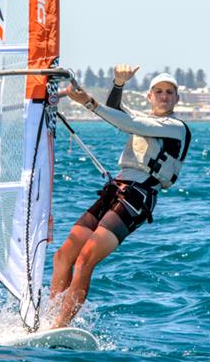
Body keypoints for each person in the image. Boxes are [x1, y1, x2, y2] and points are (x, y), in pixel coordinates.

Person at [50, 65, 192, 328]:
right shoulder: (146, 120)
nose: (164, 96)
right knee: (63, 256)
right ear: (149, 96)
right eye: (158, 92)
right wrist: (117, 84)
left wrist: (88, 103)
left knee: (84, 260)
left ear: (176, 99)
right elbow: (117, 113)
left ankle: (60, 325)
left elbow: (130, 123)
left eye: (169, 93)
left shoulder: (176, 128)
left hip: (137, 198)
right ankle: (46, 318)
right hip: (115, 190)